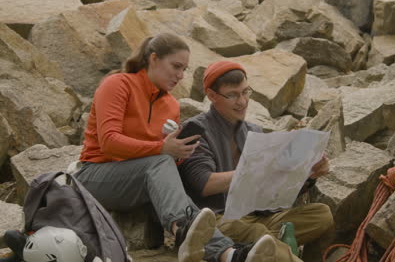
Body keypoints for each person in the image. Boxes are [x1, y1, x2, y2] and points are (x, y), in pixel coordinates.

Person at [75, 33, 277, 262]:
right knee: (159, 162)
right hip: (94, 176)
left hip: (139, 181)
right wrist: (162, 148)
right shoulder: (118, 84)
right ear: (154, 59)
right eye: (176, 67)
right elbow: (109, 143)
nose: (180, 76)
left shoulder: (171, 104)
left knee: (167, 170)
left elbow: (163, 162)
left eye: (185, 70)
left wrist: (180, 154)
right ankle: (183, 228)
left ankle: (228, 255)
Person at [178, 61, 335, 262]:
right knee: (258, 232)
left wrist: (307, 175)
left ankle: (258, 248)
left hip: (259, 214)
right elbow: (204, 184)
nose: (242, 101)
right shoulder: (195, 129)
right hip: (218, 218)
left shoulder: (254, 131)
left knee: (321, 214)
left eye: (246, 92)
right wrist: (253, 171)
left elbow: (272, 191)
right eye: (233, 95)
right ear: (212, 96)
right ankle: (264, 249)